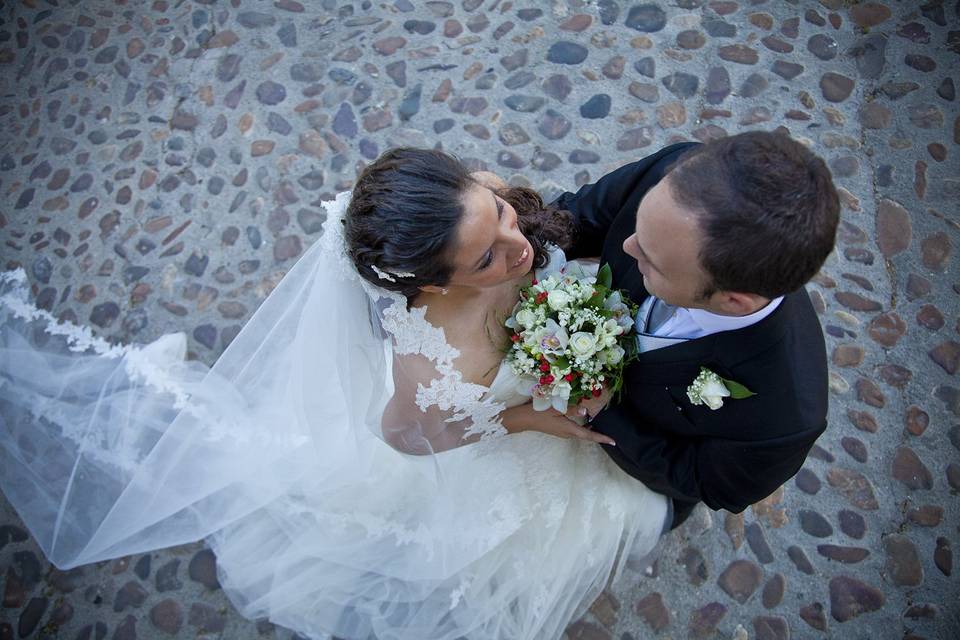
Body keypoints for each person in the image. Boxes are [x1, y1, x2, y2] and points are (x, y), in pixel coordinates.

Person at [0, 147, 666, 640]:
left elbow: (512, 227)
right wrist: (528, 416)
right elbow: (407, 436)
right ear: (433, 286)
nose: (516, 246)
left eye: (498, 218)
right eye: (485, 259)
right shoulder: (445, 352)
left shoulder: (484, 196)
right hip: (488, 444)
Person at [549, 130, 840, 529]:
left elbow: (701, 479)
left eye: (653, 261)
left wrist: (603, 411)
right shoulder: (681, 174)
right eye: (639, 225)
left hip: (631, 472)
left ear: (734, 300)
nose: (627, 247)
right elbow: (580, 217)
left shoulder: (785, 419)